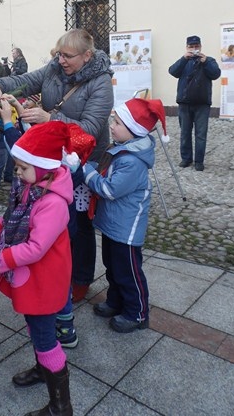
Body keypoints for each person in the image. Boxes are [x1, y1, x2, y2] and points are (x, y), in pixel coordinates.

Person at [0, 28, 114, 303]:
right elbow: (24, 80)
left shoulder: (101, 82)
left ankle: (80, 278)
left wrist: (50, 119)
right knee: (48, 218)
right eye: (59, 54)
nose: (61, 60)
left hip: (83, 159)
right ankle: (51, 269)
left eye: (67, 56)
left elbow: (91, 129)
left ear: (87, 56)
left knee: (78, 222)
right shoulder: (54, 69)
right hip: (50, 157)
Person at [0, 121, 74, 415]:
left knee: (45, 337)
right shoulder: (31, 187)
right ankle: (42, 369)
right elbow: (10, 217)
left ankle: (60, 407)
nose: (17, 172)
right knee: (35, 327)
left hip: (44, 279)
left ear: (44, 167)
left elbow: (36, 247)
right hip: (32, 277)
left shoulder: (52, 203)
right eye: (16, 166)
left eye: (23, 167)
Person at [83, 97, 169, 333]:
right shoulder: (121, 150)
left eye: (118, 123)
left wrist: (86, 171)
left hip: (126, 230)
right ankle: (116, 301)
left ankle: (137, 313)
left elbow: (109, 189)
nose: (111, 126)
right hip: (113, 225)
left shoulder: (132, 161)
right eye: (113, 121)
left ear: (134, 130)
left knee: (128, 272)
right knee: (112, 266)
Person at [168, 35, 221, 171]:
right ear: (187, 47)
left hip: (202, 104)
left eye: (196, 46)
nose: (194, 49)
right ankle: (186, 159)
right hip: (184, 103)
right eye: (191, 47)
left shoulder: (209, 60)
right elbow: (172, 71)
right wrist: (183, 58)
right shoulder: (184, 61)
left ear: (200, 47)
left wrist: (206, 62)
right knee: (185, 133)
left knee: (201, 134)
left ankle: (199, 161)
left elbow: (216, 74)